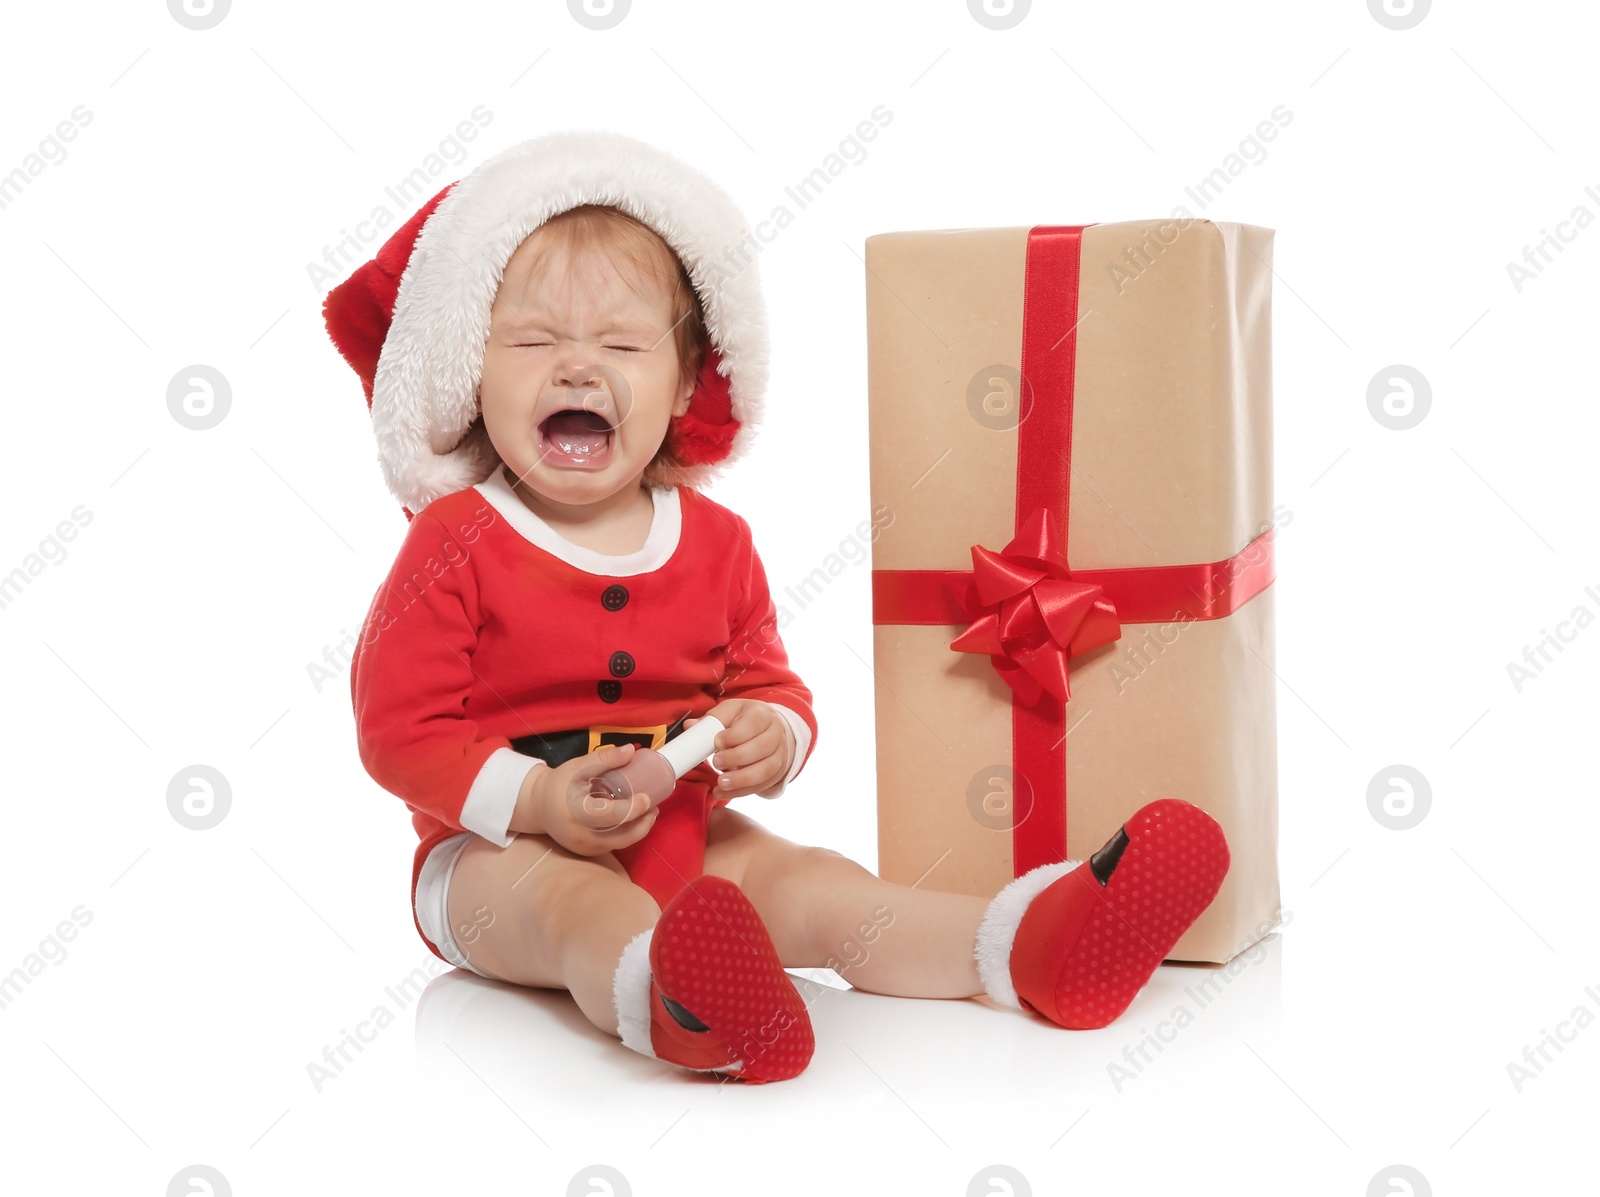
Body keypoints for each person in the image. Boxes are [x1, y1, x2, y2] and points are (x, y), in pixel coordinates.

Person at [324, 131, 1231, 1083]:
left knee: (815, 884)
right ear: (472, 371)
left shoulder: (717, 542)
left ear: (686, 386)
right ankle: (679, 1006)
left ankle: (1021, 943)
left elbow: (768, 682)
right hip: (493, 858)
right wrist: (542, 797)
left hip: (689, 832)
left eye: (623, 344)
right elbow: (398, 729)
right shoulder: (455, 538)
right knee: (579, 913)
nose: (578, 369)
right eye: (534, 342)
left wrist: (773, 733)